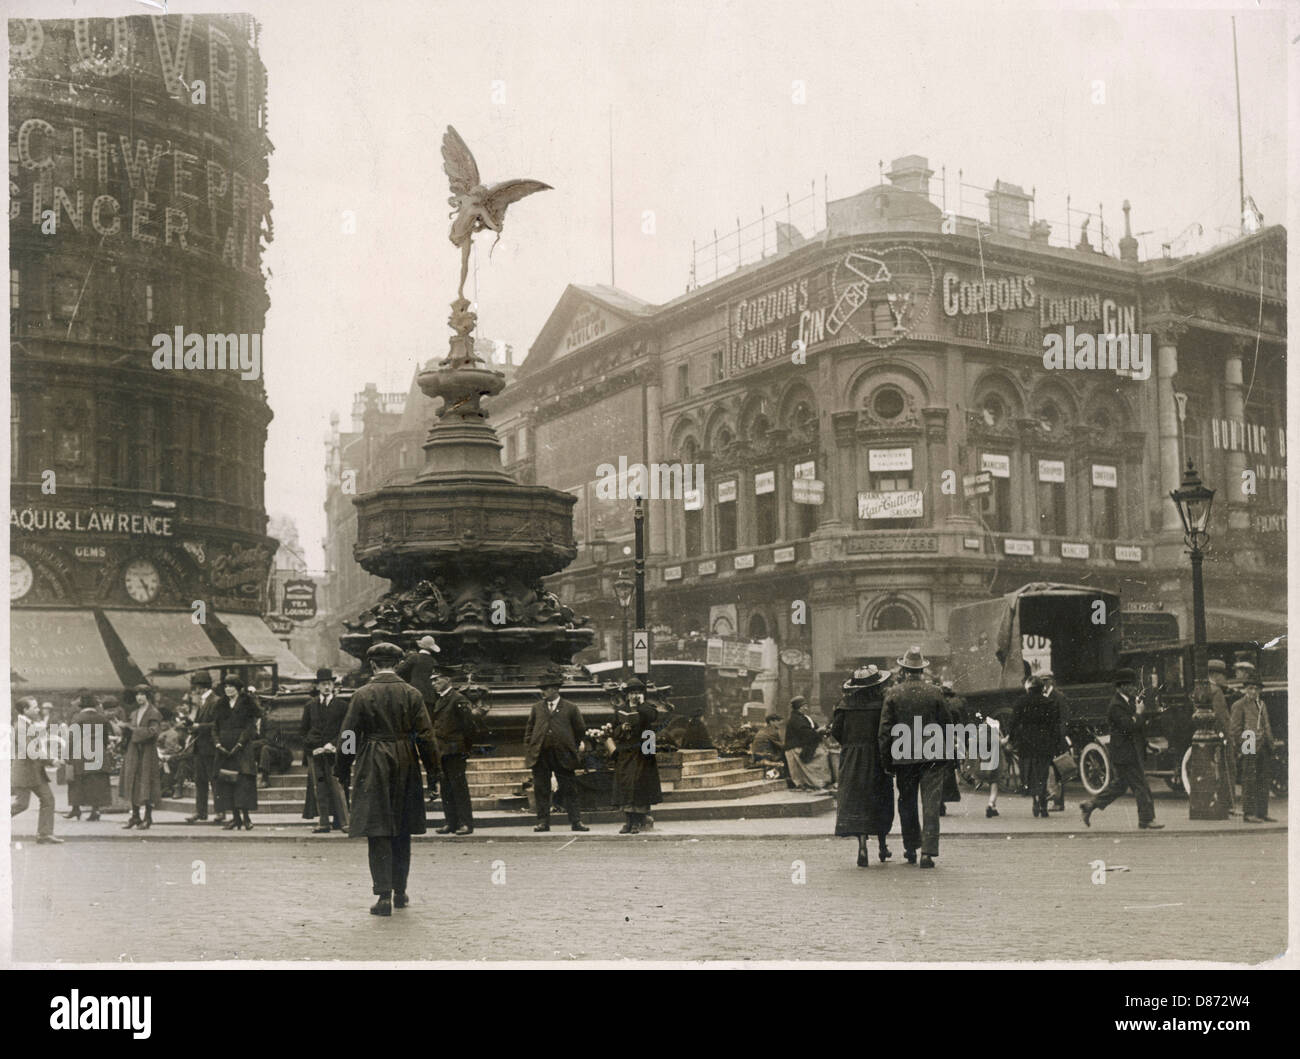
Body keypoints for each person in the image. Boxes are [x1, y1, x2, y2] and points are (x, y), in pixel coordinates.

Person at [341, 642, 437, 916]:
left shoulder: (361, 695)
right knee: (403, 828)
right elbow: (427, 737)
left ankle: (382, 895)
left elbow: (348, 736)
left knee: (377, 829)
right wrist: (433, 772)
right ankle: (401, 892)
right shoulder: (412, 694)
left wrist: (342, 766)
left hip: (372, 761)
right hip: (405, 759)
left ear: (372, 664)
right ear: (396, 664)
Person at [879, 646, 951, 868]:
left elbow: (884, 730)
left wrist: (886, 761)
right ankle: (928, 853)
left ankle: (911, 847)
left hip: (903, 755)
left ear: (903, 669)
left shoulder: (893, 693)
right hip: (932, 754)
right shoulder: (935, 692)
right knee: (931, 803)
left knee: (907, 802)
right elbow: (947, 725)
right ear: (922, 670)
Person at [1079, 669, 1163, 830]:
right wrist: (1139, 713)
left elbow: (1136, 729)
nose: (1133, 687)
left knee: (1119, 786)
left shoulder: (1127, 702)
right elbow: (1128, 727)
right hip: (1125, 753)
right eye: (1130, 684)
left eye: (1133, 684)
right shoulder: (1116, 706)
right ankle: (1146, 819)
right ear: (1121, 686)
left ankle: (1090, 805)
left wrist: (1147, 744)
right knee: (1141, 786)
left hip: (1128, 752)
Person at [832, 666, 896, 866]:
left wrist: (850, 746)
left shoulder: (845, 704)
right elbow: (888, 730)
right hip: (876, 756)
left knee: (857, 800)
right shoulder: (882, 704)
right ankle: (883, 846)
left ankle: (862, 846)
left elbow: (836, 731)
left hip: (852, 758)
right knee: (880, 799)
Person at [524, 668, 589, 832]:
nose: (543, 692)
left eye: (545, 689)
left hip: (563, 755)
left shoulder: (571, 708)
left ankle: (576, 821)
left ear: (555, 689)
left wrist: (570, 746)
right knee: (541, 789)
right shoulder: (537, 708)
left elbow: (580, 730)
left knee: (569, 789)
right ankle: (543, 822)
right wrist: (531, 747)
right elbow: (529, 730)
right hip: (541, 754)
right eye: (542, 689)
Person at [301, 668, 351, 834]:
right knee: (319, 788)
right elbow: (304, 731)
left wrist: (334, 745)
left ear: (333, 685)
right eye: (323, 684)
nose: (327, 687)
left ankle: (345, 823)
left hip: (334, 754)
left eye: (329, 684)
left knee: (338, 788)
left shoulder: (342, 706)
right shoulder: (310, 706)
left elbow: (347, 730)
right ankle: (323, 823)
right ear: (318, 686)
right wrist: (312, 748)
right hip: (316, 754)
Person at [608, 678, 662, 834]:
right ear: (627, 694)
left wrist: (641, 705)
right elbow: (614, 731)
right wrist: (622, 729)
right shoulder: (621, 710)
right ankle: (628, 821)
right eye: (632, 693)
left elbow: (653, 717)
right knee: (625, 785)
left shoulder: (647, 708)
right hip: (626, 752)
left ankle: (638, 821)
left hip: (642, 753)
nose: (635, 696)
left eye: (638, 692)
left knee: (639, 785)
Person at [430, 669, 480, 836]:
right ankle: (450, 822)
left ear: (447, 679)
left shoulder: (458, 699)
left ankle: (466, 823)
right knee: (446, 788)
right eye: (432, 681)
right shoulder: (441, 700)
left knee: (459, 788)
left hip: (455, 750)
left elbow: (469, 727)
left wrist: (465, 749)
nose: (433, 683)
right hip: (443, 751)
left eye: (437, 680)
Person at [11, 698, 63, 844]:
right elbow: (30, 750)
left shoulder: (27, 724)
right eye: (34, 707)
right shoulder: (21, 726)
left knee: (48, 800)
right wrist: (51, 760)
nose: (38, 710)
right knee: (22, 804)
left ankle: (45, 834)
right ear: (25, 710)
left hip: (34, 772)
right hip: (25, 772)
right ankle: (44, 834)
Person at [1011, 677, 1064, 818]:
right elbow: (1055, 726)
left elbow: (1013, 723)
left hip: (1026, 744)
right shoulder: (1049, 703)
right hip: (1044, 744)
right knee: (1042, 774)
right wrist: (1056, 744)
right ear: (1042, 689)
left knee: (1029, 773)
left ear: (1029, 689)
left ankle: (1035, 800)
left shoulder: (1020, 702)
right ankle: (1043, 804)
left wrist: (1011, 739)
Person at [213, 676, 260, 831]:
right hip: (224, 750)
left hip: (241, 749)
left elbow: (250, 727)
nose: (228, 689)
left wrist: (240, 744)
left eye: (232, 686)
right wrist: (218, 744)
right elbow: (215, 727)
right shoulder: (220, 704)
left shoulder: (247, 703)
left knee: (243, 783)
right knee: (227, 782)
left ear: (238, 688)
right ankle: (235, 818)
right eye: (226, 686)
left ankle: (246, 818)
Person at [1229, 671, 1275, 823]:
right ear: (1245, 689)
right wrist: (1243, 746)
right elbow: (1235, 730)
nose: (1253, 691)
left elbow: (1266, 724)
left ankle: (1262, 812)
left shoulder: (1262, 704)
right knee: (1249, 780)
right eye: (1250, 688)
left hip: (1263, 746)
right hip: (1249, 746)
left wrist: (1270, 743)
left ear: (1260, 690)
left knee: (1264, 780)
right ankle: (1249, 813)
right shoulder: (1239, 705)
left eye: (1256, 689)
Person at [184, 672, 226, 824]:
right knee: (200, 780)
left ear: (200, 687)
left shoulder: (215, 701)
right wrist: (191, 726)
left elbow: (218, 724)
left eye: (195, 687)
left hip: (211, 747)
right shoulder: (203, 701)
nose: (194, 691)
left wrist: (198, 726)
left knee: (214, 780)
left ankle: (220, 811)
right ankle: (201, 812)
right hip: (200, 747)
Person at [119, 685, 163, 830]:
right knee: (132, 780)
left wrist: (132, 729)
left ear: (148, 696)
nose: (139, 697)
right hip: (133, 750)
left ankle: (148, 817)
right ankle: (135, 816)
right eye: (137, 694)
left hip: (147, 751)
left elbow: (153, 732)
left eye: (142, 694)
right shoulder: (134, 713)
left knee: (147, 781)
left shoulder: (154, 713)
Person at [64, 691, 112, 822]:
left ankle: (76, 809)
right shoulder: (102, 718)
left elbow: (72, 738)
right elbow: (105, 739)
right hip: (98, 752)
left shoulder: (77, 718)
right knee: (96, 783)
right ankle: (95, 810)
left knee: (77, 781)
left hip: (81, 752)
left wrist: (68, 756)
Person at [1207, 659, 1239, 813]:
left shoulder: (1205, 688)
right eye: (1223, 675)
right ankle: (1229, 804)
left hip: (1211, 736)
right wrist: (1229, 737)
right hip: (1222, 736)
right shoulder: (1216, 691)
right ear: (1215, 675)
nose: (1225, 679)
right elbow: (1222, 717)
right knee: (1228, 768)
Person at [783, 697, 834, 791]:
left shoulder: (805, 718)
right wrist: (819, 731)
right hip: (796, 748)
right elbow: (805, 734)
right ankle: (817, 782)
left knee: (824, 753)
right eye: (803, 706)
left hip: (805, 745)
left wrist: (822, 730)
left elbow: (813, 730)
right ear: (799, 708)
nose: (806, 708)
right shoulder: (795, 719)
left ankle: (822, 782)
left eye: (806, 706)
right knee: (821, 755)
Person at [1038, 670, 1070, 811]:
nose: (1044, 683)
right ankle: (1054, 799)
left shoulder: (1058, 697)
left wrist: (1061, 737)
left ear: (1051, 681)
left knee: (1057, 770)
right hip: (1047, 738)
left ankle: (1059, 802)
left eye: (1046, 680)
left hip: (1056, 739)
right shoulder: (1043, 696)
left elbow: (1064, 719)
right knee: (1050, 769)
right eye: (1042, 681)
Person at [938, 681, 963, 817]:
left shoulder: (941, 711)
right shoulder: (952, 711)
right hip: (947, 744)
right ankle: (941, 802)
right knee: (946, 774)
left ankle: (940, 802)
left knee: (942, 774)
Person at [396, 635, 441, 703]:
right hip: (429, 696)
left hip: (414, 694)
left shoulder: (414, 657)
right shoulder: (434, 661)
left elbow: (399, 671)